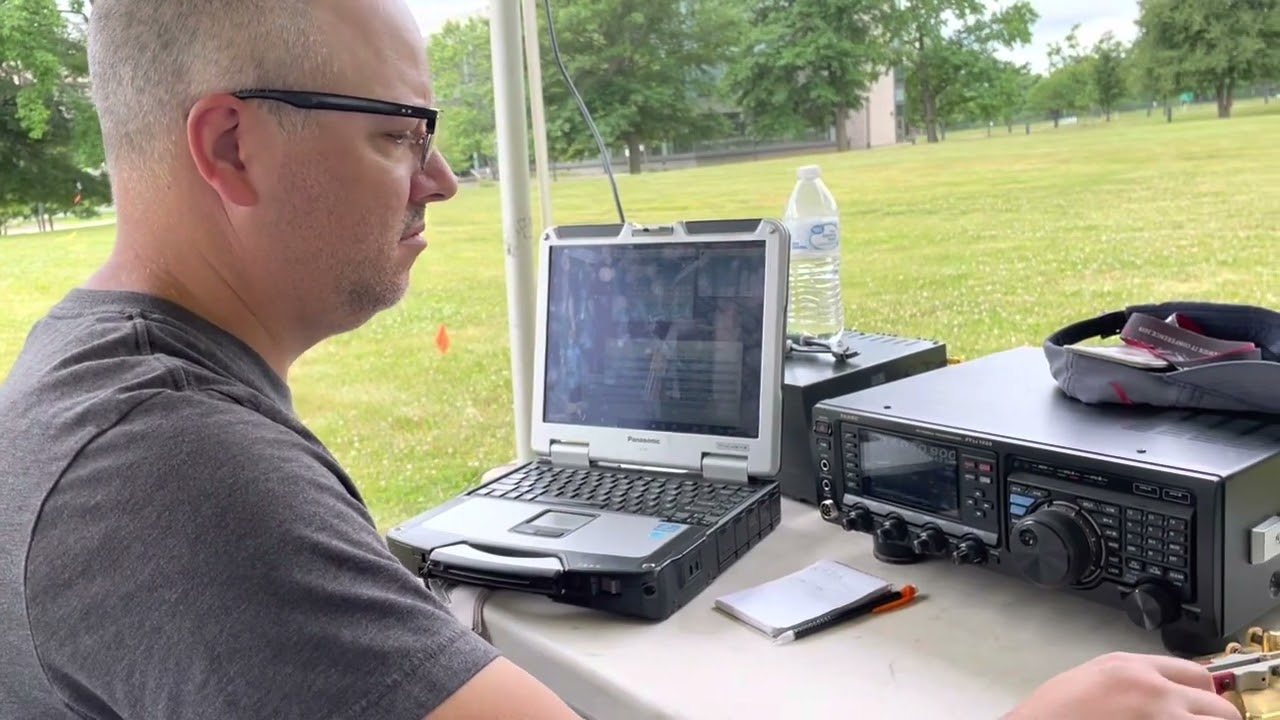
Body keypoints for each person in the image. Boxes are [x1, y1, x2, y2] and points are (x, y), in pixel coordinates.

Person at [0, 1, 1243, 719]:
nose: (438, 178)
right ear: (227, 149)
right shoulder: (179, 475)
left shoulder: (101, 379)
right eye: (396, 134)